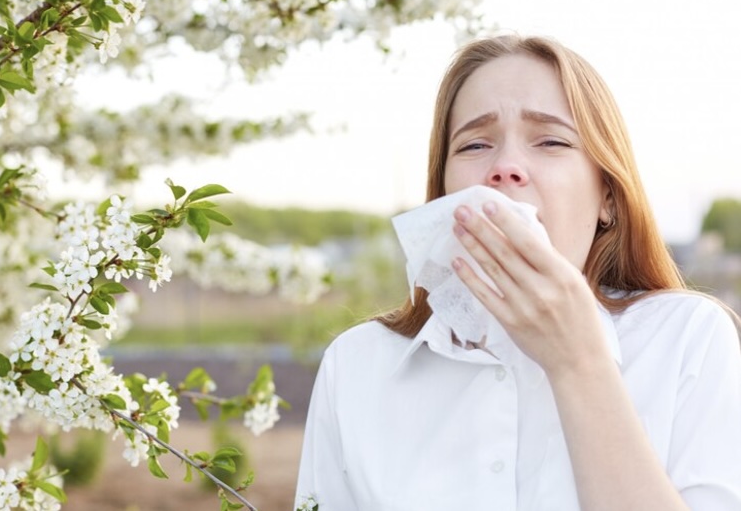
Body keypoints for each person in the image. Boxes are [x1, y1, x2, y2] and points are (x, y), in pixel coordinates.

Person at [293, 34, 741, 510]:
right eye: (475, 144)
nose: (505, 167)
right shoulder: (356, 365)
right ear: (443, 191)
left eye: (550, 140)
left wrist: (578, 363)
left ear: (608, 196)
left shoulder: (688, 338)